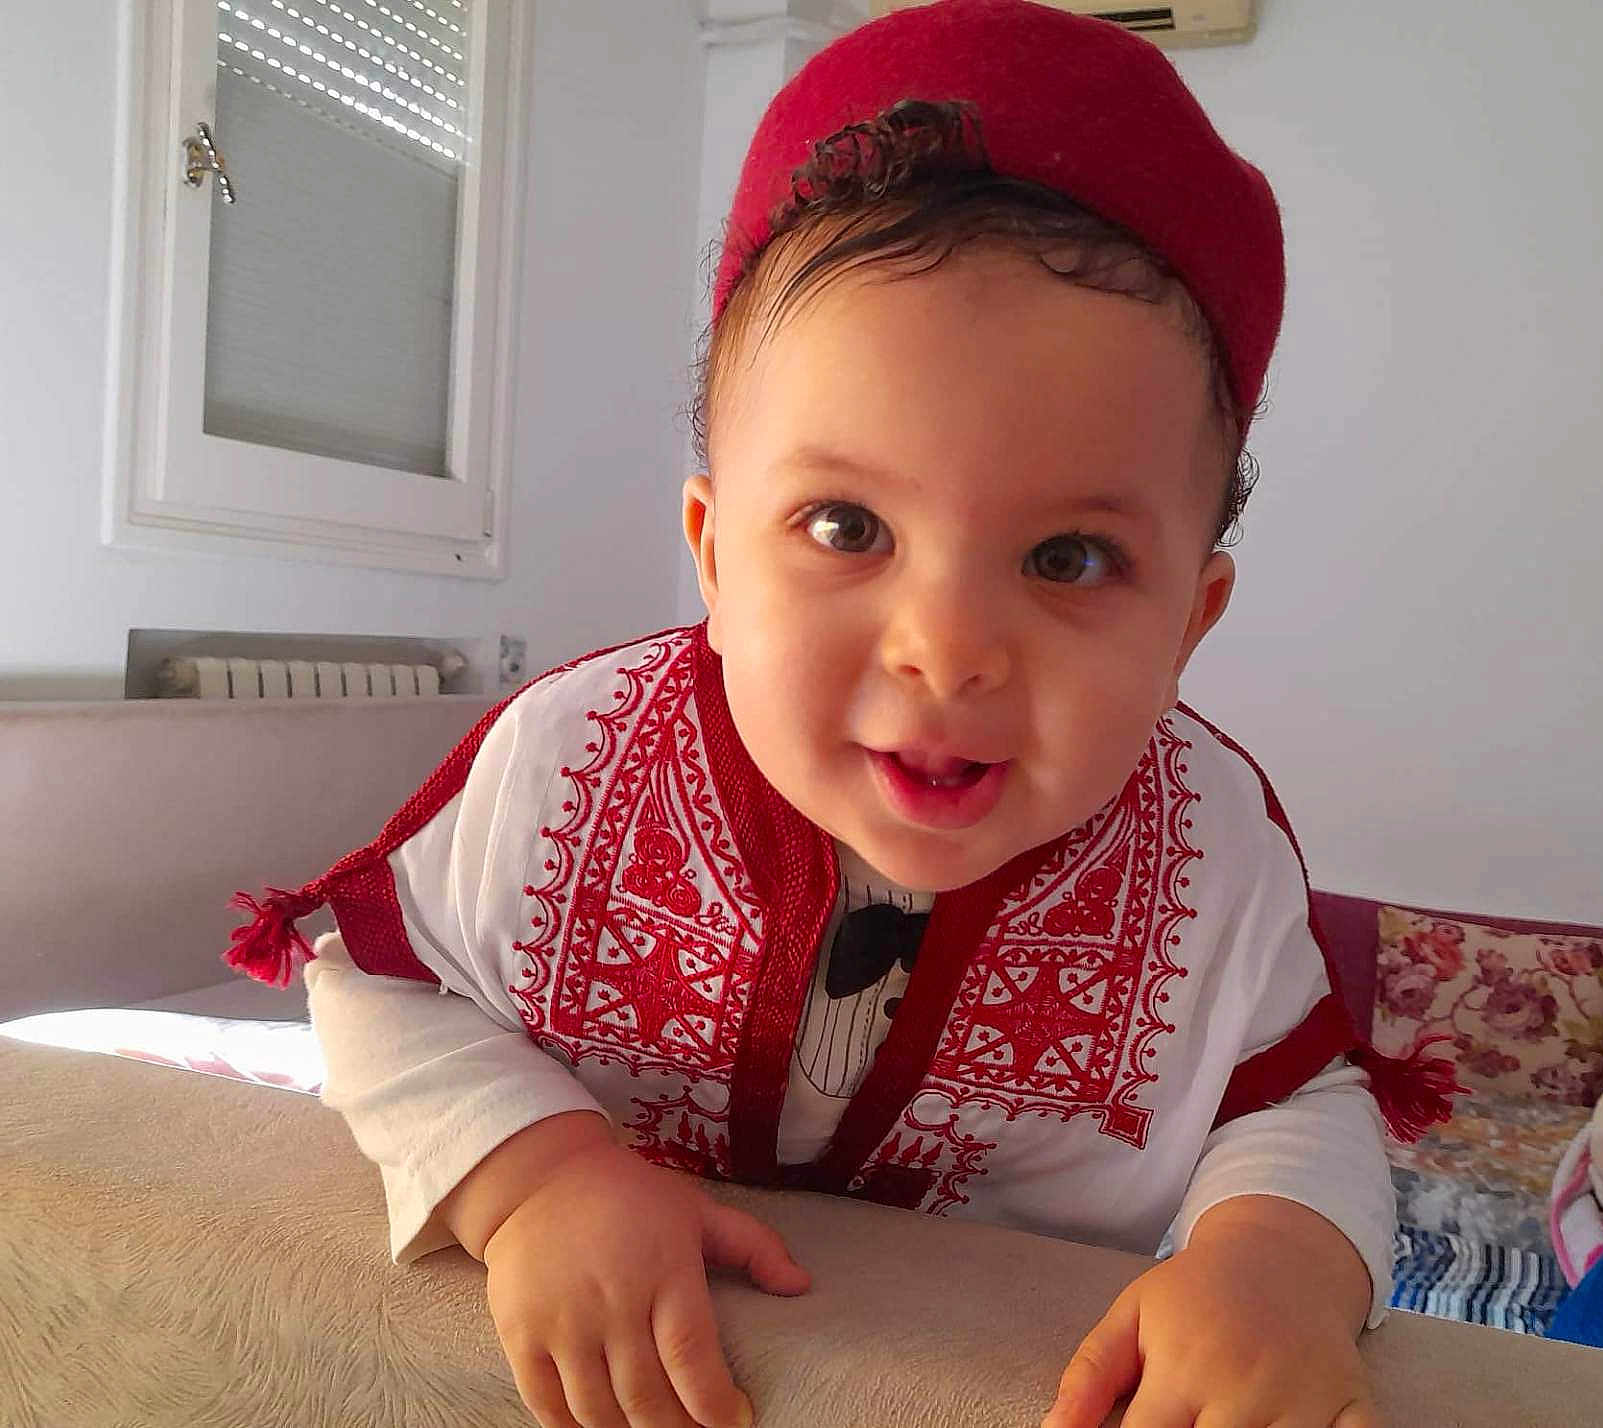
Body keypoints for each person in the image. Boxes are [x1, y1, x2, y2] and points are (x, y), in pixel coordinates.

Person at [227, 4, 1455, 1426]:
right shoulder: (574, 759)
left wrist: (1274, 1264)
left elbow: (1300, 1107)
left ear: (1192, 618)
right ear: (711, 547)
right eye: (845, 524)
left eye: (1067, 559)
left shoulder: (1212, 859)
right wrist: (535, 1173)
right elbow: (382, 979)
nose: (945, 650)